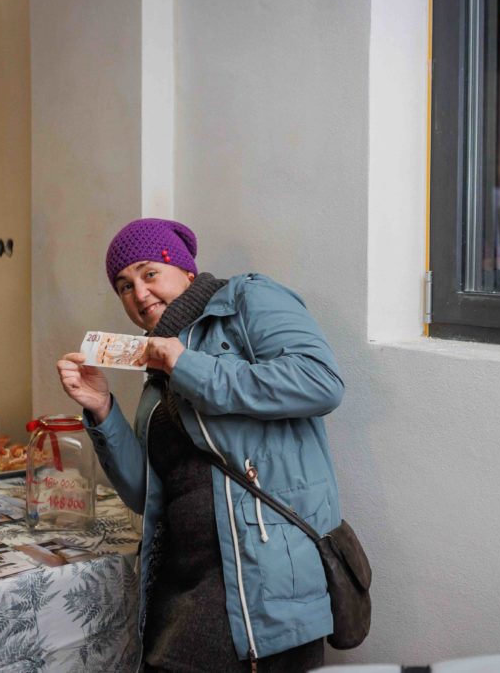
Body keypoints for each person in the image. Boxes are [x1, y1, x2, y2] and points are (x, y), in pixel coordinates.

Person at [56, 218, 345, 672]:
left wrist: (186, 365)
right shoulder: (157, 363)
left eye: (150, 273)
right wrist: (102, 409)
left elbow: (320, 383)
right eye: (124, 286)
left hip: (256, 577)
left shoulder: (247, 299)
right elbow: (144, 491)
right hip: (180, 575)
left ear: (186, 271)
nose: (139, 294)